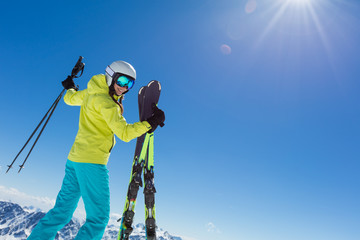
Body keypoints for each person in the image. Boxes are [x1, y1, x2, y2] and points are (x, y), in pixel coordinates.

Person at [27, 60, 165, 240]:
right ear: (110, 77)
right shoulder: (107, 103)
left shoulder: (91, 92)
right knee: (98, 219)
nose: (124, 88)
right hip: (92, 163)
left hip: (74, 160)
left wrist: (70, 87)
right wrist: (150, 123)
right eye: (121, 81)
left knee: (61, 212)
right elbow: (124, 133)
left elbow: (69, 99)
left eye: (129, 83)